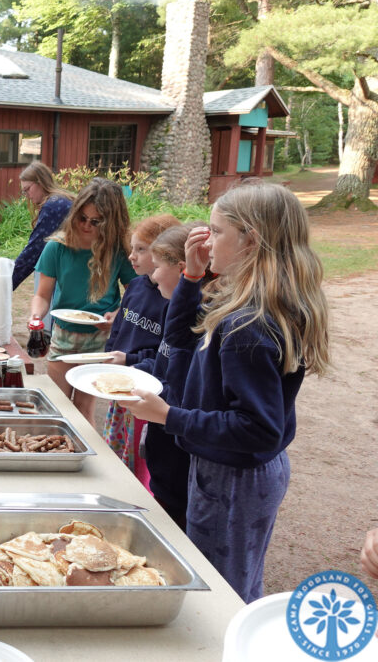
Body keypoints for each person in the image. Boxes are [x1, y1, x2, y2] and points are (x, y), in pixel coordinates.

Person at [128, 181, 330, 603]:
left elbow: (258, 428)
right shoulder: (245, 300)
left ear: (250, 240)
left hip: (234, 477)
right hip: (231, 468)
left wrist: (168, 416)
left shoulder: (246, 325)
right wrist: (192, 276)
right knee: (228, 576)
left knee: (221, 591)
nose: (205, 239)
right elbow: (179, 338)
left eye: (217, 231)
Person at [29, 177, 137, 425]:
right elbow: (42, 295)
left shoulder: (117, 250)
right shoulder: (57, 247)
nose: (87, 225)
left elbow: (135, 293)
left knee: (83, 409)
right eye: (82, 218)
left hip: (100, 337)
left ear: (111, 222)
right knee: (56, 407)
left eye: (96, 221)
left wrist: (118, 315)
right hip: (64, 334)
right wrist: (35, 316)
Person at [126, 223, 199, 530]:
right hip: (163, 456)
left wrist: (162, 406)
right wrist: (131, 373)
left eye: (157, 268)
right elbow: (163, 364)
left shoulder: (197, 321)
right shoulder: (175, 310)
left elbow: (184, 389)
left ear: (183, 269)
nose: (153, 277)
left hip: (180, 459)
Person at [100, 214, 180, 486]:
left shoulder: (171, 299)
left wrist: (130, 360)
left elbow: (164, 354)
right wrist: (109, 357)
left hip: (147, 393)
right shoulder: (134, 287)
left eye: (141, 249)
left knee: (140, 455)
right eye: (131, 248)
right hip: (122, 384)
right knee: (116, 449)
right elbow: (119, 330)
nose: (132, 256)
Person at [12, 160, 74, 291]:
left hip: (66, 274)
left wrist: (7, 280)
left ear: (40, 182)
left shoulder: (52, 206)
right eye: (24, 192)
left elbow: (35, 249)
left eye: (28, 189)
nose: (27, 196)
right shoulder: (60, 199)